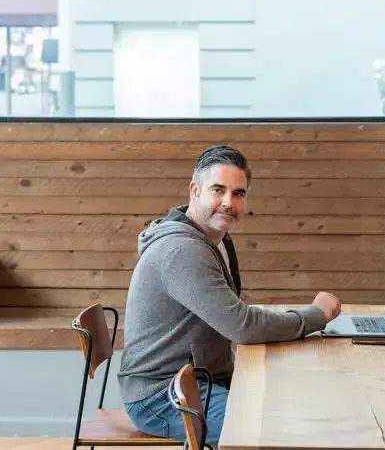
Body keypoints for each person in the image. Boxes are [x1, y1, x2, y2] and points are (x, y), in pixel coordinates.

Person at [118, 145, 342, 447]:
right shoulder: (182, 251)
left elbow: (236, 317)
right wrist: (316, 316)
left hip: (203, 378)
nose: (228, 202)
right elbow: (242, 326)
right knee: (270, 429)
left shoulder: (216, 240)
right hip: (162, 396)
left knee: (304, 403)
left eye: (238, 193)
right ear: (195, 190)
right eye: (218, 190)